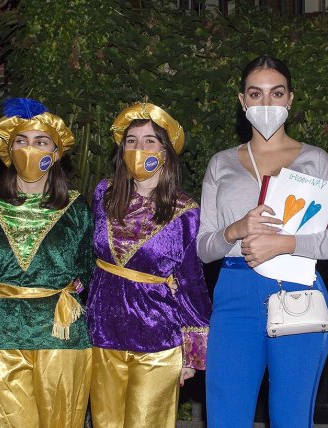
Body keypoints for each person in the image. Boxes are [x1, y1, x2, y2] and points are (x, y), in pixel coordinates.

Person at [198, 55, 328, 428]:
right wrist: (235, 230)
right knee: (226, 417)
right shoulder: (219, 163)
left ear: (290, 99)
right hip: (235, 294)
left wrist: (287, 244)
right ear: (242, 101)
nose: (266, 104)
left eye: (276, 93)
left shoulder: (315, 160)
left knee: (291, 417)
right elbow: (204, 248)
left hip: (297, 292)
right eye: (256, 94)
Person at [0, 98, 94, 427]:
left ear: (56, 152)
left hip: (61, 338)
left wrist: (71, 291)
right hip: (2, 339)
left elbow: (88, 273)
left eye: (40, 141)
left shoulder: (76, 208)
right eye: (21, 140)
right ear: (9, 148)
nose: (29, 149)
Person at [86, 102, 211, 428]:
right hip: (103, 334)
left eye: (149, 141)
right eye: (131, 141)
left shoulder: (184, 210)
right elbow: (90, 259)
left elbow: (191, 282)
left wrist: (192, 351)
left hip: (156, 339)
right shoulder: (104, 194)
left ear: (166, 152)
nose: (138, 148)